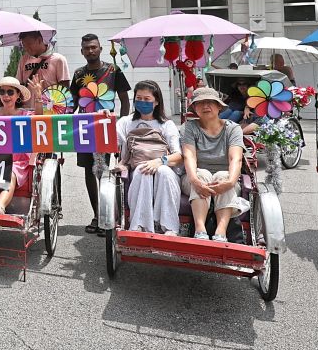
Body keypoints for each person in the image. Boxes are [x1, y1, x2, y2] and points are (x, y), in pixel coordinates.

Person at [68, 33, 130, 235]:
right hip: (84, 128)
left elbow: (125, 100)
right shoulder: (78, 74)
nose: (90, 51)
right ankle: (97, 215)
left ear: (100, 49)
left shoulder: (113, 70)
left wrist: (121, 126)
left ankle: (107, 217)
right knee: (89, 171)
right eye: (87, 48)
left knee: (103, 171)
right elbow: (72, 103)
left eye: (94, 47)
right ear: (82, 51)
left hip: (106, 127)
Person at [116, 80, 183, 235]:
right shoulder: (126, 122)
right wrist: (105, 118)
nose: (142, 102)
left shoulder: (166, 125)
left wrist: (160, 162)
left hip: (164, 165)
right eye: (138, 98)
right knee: (143, 169)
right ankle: (140, 225)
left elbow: (178, 155)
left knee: (164, 172)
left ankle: (169, 227)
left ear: (156, 101)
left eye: (147, 99)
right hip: (137, 166)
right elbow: (111, 141)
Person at [181, 88, 247, 241]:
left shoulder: (233, 128)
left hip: (225, 179)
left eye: (210, 102)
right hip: (194, 179)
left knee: (223, 176)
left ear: (219, 106)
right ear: (195, 108)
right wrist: (195, 180)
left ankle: (221, 231)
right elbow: (189, 156)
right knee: (202, 174)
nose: (205, 106)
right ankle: (200, 229)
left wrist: (230, 182)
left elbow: (235, 158)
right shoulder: (190, 127)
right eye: (200, 103)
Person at [0, 77, 34, 214]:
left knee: (10, 173)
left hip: (18, 161)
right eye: (2, 92)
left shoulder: (26, 115)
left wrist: (38, 98)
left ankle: (0, 206)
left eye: (10, 92)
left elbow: (40, 120)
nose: (6, 96)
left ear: (18, 95)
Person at [16, 31, 70, 107]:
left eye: (29, 44)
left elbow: (65, 87)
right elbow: (19, 85)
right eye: (24, 45)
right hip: (28, 109)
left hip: (50, 109)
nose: (26, 48)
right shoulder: (24, 60)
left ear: (39, 40)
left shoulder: (58, 59)